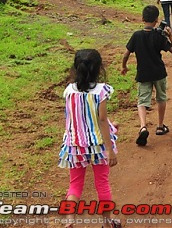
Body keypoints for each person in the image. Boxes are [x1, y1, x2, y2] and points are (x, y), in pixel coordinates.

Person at [58, 49, 120, 228]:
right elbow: (100, 120)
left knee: (75, 185)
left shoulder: (69, 90)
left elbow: (76, 118)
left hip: (75, 144)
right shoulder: (101, 91)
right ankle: (107, 223)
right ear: (99, 69)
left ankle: (69, 221)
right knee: (102, 182)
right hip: (98, 145)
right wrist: (110, 149)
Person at [121, 5, 172, 146]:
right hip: (158, 72)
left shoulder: (136, 35)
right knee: (161, 98)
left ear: (142, 19)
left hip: (143, 73)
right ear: (156, 20)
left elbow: (126, 53)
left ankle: (142, 127)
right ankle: (160, 126)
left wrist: (124, 66)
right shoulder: (159, 36)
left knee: (142, 101)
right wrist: (170, 35)